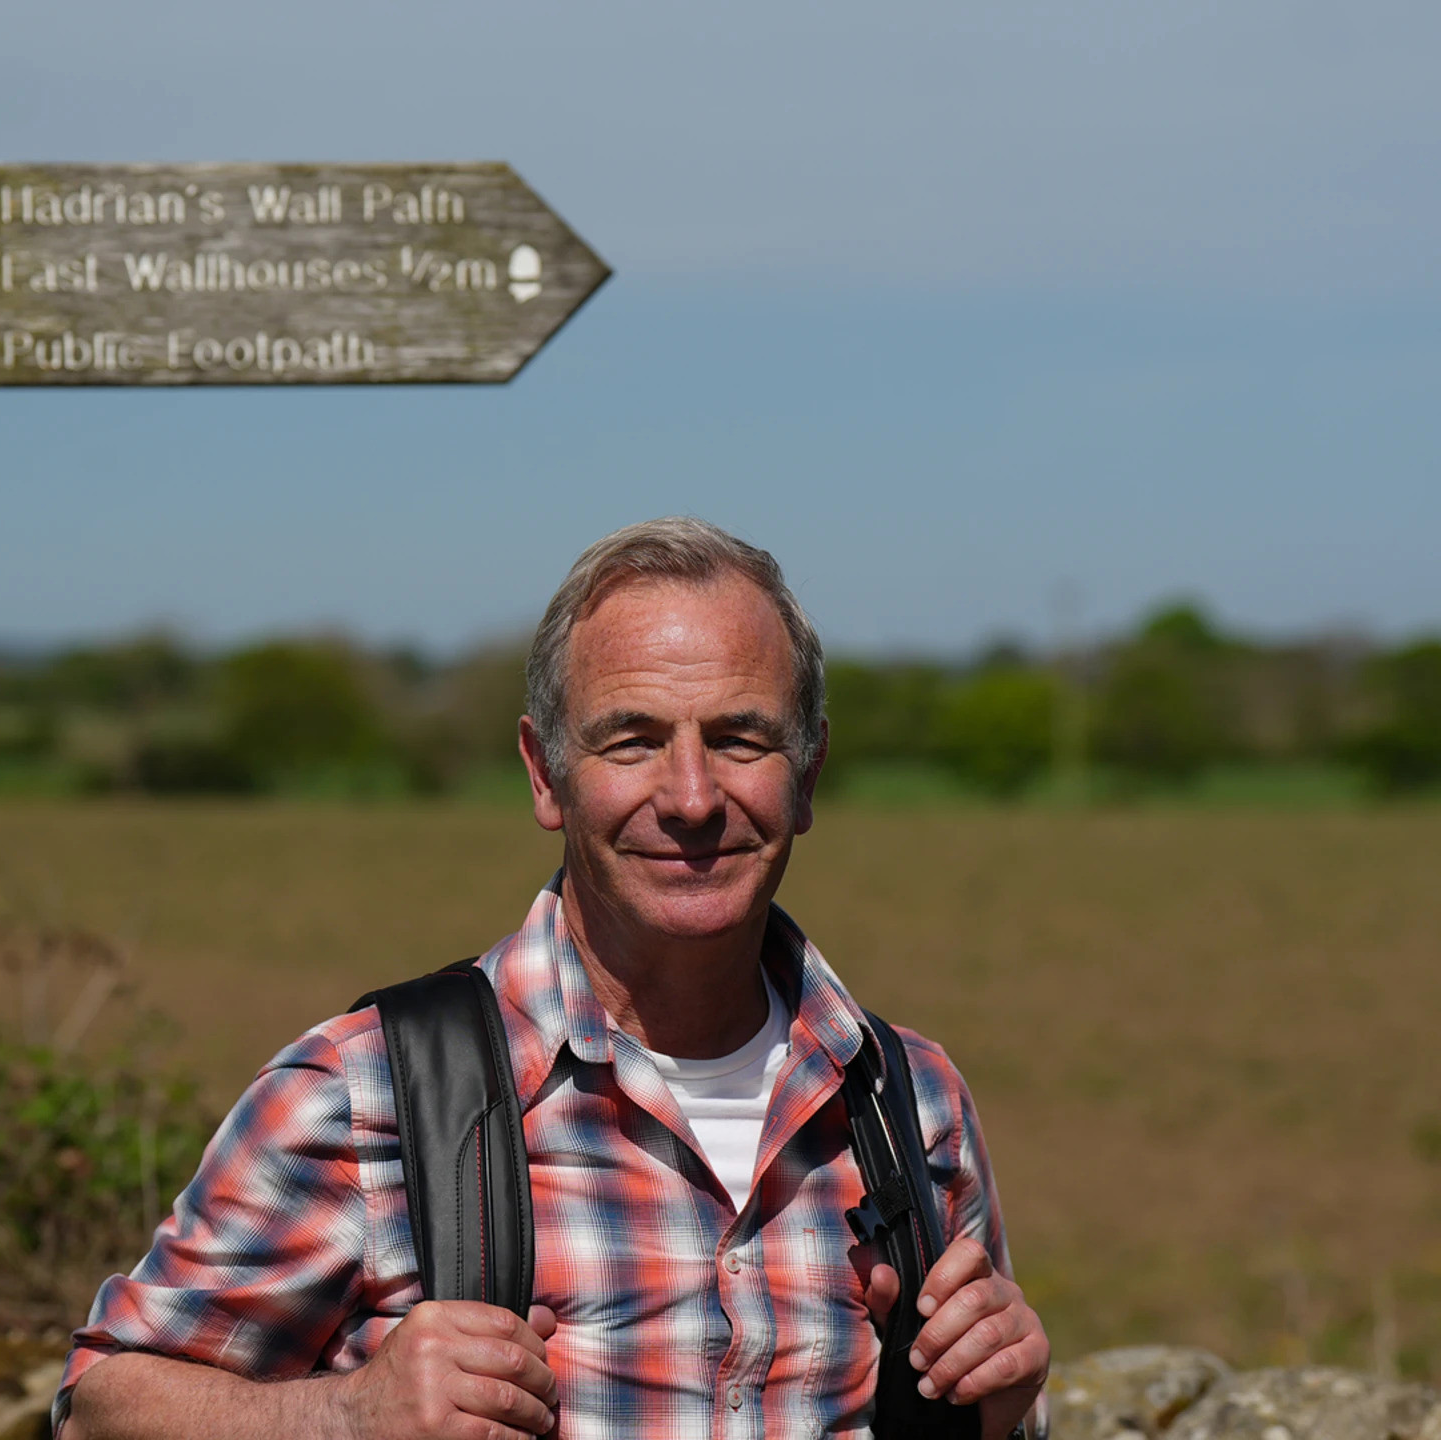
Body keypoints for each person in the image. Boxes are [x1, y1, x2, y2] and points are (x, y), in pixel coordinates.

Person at [57, 517, 1049, 1440]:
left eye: (740, 738)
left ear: (808, 775)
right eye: (633, 740)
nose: (691, 796)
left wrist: (999, 1413)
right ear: (544, 774)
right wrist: (345, 1417)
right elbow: (98, 1407)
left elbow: (974, 1410)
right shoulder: (369, 1096)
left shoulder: (908, 1103)